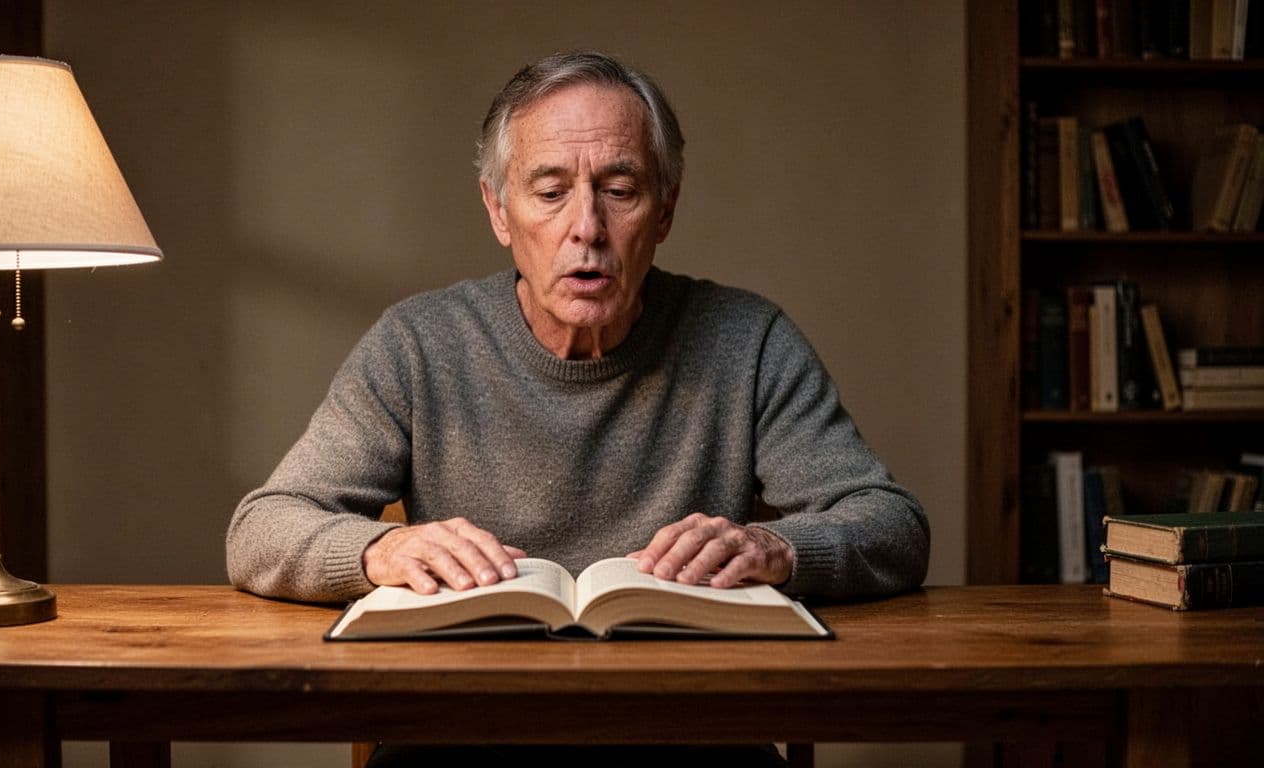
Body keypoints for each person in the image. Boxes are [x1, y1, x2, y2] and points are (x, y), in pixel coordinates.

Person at [228, 50, 929, 767]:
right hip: (457, 731)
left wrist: (779, 550)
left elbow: (893, 524)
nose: (587, 227)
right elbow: (261, 527)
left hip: (695, 730)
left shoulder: (750, 341)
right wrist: (381, 550)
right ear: (499, 211)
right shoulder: (417, 342)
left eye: (620, 190)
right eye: (550, 191)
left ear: (666, 210)